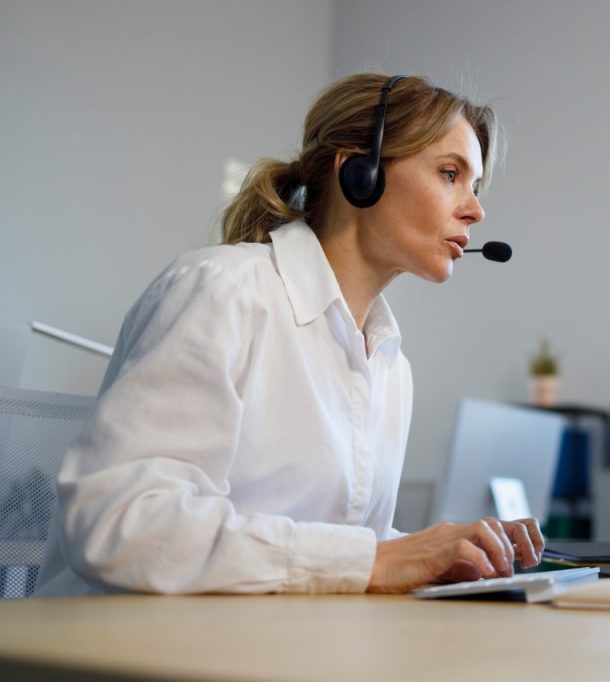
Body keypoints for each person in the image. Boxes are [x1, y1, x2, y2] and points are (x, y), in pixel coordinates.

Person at [35, 73, 544, 596]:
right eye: (449, 174)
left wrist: (444, 553)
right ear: (360, 173)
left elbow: (334, 546)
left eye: (475, 186)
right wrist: (376, 559)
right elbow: (123, 524)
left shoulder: (389, 362)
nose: (475, 210)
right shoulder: (223, 292)